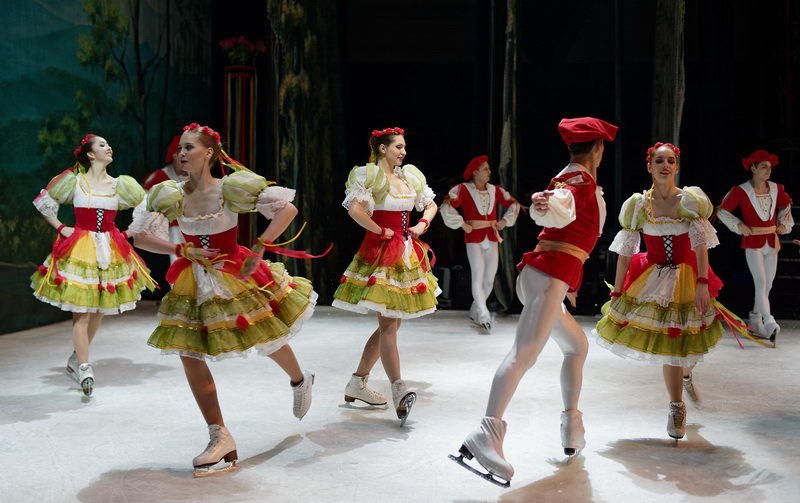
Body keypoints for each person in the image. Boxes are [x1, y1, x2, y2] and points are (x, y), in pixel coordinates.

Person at [132, 123, 316, 477]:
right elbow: (140, 236)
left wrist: (259, 248)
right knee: (189, 353)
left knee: (264, 335)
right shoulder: (170, 194)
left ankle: (299, 379)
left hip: (234, 271)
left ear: (209, 153)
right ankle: (219, 434)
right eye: (180, 149)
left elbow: (287, 210)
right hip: (193, 279)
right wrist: (179, 249)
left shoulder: (229, 188)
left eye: (189, 148)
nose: (181, 154)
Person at [451, 117, 617, 487]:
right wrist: (544, 203)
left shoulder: (571, 179)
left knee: (577, 345)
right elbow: (557, 203)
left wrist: (548, 204)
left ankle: (572, 427)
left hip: (545, 276)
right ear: (598, 149)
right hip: (548, 277)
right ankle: (486, 433)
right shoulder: (576, 182)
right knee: (523, 354)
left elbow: (558, 207)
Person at [594, 142, 749, 442]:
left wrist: (702, 282)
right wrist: (618, 291)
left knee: (688, 347)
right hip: (652, 279)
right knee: (671, 347)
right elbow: (625, 254)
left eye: (670, 161)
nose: (665, 166)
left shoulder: (690, 201)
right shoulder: (638, 205)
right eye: (659, 161)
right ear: (649, 166)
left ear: (676, 166)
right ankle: (676, 407)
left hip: (687, 278)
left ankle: (686, 374)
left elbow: (700, 247)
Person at [31, 134, 156, 397]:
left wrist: (130, 232)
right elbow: (45, 202)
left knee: (98, 308)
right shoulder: (75, 182)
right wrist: (61, 227)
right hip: (81, 248)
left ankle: (76, 357)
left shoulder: (120, 184)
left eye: (108, 144)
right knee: (82, 312)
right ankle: (85, 367)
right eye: (101, 145)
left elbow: (146, 205)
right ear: (90, 154)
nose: (108, 147)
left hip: (110, 249)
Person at [332, 126, 439, 426]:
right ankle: (399, 389)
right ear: (382, 148)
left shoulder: (408, 177)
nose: (403, 151)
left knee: (390, 324)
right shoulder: (370, 176)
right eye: (398, 147)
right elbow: (354, 209)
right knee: (389, 325)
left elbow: (431, 204)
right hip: (380, 254)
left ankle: (358, 381)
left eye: (404, 147)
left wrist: (422, 225)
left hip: (405, 253)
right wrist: (379, 230)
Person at [717, 149, 793, 346]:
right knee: (760, 281)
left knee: (768, 284)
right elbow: (722, 211)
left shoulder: (776, 188)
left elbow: (786, 207)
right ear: (753, 168)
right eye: (763, 167)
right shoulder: (741, 190)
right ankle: (769, 321)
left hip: (771, 240)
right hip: (753, 242)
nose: (768, 171)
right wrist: (739, 225)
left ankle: (755, 320)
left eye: (770, 167)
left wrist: (784, 224)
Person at [440, 155, 521, 333]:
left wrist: (505, 221)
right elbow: (447, 205)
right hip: (474, 237)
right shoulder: (464, 189)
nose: (489, 171)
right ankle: (483, 314)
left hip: (491, 236)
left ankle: (475, 310)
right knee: (478, 274)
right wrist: (462, 224)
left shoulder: (495, 190)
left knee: (489, 279)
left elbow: (514, 203)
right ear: (475, 172)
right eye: (485, 169)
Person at [142, 135, 187, 263]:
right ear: (174, 155)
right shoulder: (157, 178)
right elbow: (143, 209)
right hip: (168, 235)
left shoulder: (197, 179)